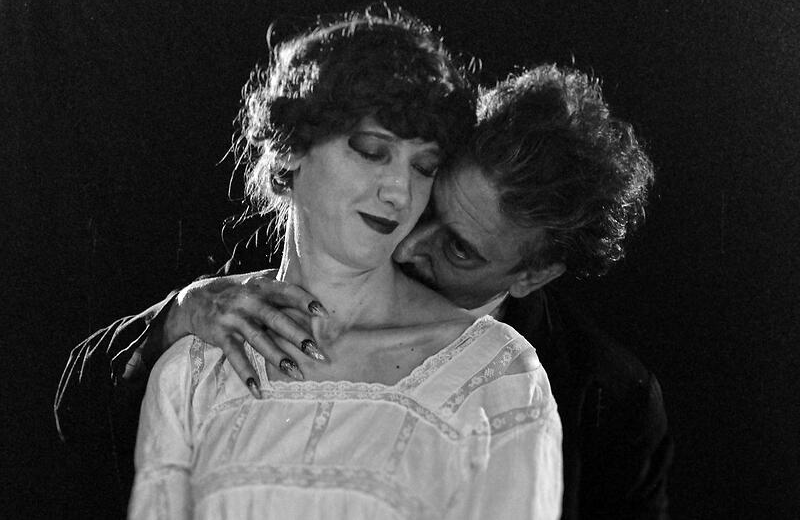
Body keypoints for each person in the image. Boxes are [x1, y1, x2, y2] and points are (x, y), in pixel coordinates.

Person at [55, 63, 667, 520]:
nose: (406, 242)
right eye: (430, 196)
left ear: (532, 275)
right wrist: (181, 312)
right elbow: (77, 414)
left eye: (459, 249)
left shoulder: (606, 397)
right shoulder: (300, 257)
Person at [123, 9, 562, 519]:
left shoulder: (496, 376)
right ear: (290, 148)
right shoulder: (193, 369)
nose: (399, 192)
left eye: (424, 167)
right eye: (373, 151)